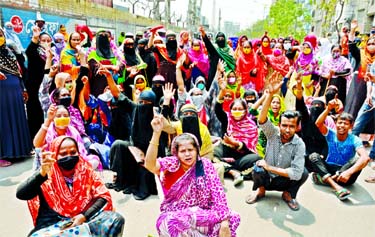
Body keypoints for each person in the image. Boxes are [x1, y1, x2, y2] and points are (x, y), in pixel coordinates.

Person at [145, 118, 241, 236]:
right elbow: (149, 165)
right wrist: (156, 134)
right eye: (183, 151)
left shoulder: (205, 165)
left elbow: (218, 194)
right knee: (167, 222)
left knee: (232, 217)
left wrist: (225, 223)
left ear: (197, 150)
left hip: (203, 214)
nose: (187, 154)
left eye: (190, 150)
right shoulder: (172, 164)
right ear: (176, 153)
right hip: (176, 214)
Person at [16, 136, 124, 236]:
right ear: (54, 155)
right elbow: (21, 194)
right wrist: (41, 174)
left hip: (83, 221)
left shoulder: (84, 170)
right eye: (63, 154)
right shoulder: (47, 174)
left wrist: (83, 216)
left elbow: (103, 196)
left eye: (73, 152)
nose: (69, 156)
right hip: (54, 227)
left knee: (115, 219)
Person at [245, 75, 308, 211]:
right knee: (257, 169)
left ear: (297, 127)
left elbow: (296, 174)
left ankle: (288, 194)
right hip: (267, 178)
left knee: (303, 173)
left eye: (292, 126)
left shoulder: (299, 144)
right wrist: (270, 95)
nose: (287, 129)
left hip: (283, 179)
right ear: (279, 125)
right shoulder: (273, 133)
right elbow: (261, 119)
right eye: (284, 125)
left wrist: (269, 167)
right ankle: (260, 190)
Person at [312, 100, 370, 199]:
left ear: (351, 126)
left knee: (357, 159)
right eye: (340, 123)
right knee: (313, 156)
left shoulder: (354, 139)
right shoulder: (331, 133)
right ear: (335, 123)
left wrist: (348, 172)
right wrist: (328, 109)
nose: (342, 126)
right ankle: (336, 187)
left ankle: (325, 179)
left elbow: (365, 158)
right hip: (330, 168)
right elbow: (318, 123)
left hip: (345, 175)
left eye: (345, 124)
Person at [0, 27, 32, 167]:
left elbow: (19, 71)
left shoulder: (9, 51)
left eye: (0, 34)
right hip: (2, 94)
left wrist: (23, 88)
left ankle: (21, 150)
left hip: (15, 92)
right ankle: (2, 155)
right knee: (3, 122)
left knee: (17, 119)